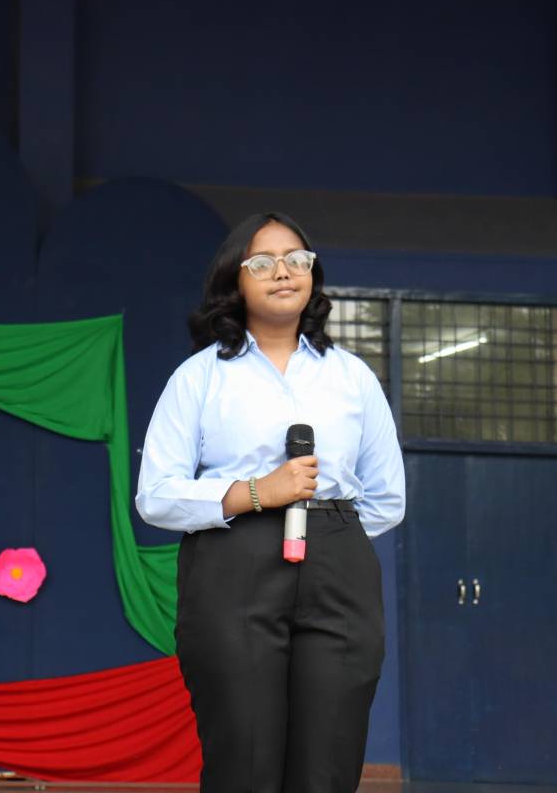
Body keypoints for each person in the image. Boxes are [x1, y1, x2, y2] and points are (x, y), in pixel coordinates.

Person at [135, 212, 405, 792]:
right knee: (245, 758)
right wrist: (257, 494)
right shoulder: (199, 377)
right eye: (262, 263)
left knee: (327, 763)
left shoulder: (352, 377)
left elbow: (386, 496)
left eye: (297, 260)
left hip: (337, 566)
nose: (283, 272)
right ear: (234, 280)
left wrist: (329, 537)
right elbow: (155, 495)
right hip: (234, 559)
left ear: (313, 275)